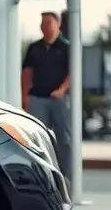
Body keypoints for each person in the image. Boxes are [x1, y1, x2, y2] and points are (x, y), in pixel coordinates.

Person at [22, 11, 74, 174]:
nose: (44, 27)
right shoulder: (34, 48)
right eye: (42, 24)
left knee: (64, 139)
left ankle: (66, 177)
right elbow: (27, 72)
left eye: (48, 23)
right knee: (36, 138)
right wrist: (24, 96)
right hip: (37, 97)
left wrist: (61, 90)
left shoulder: (67, 47)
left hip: (59, 99)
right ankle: (41, 174)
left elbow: (73, 72)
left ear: (58, 24)